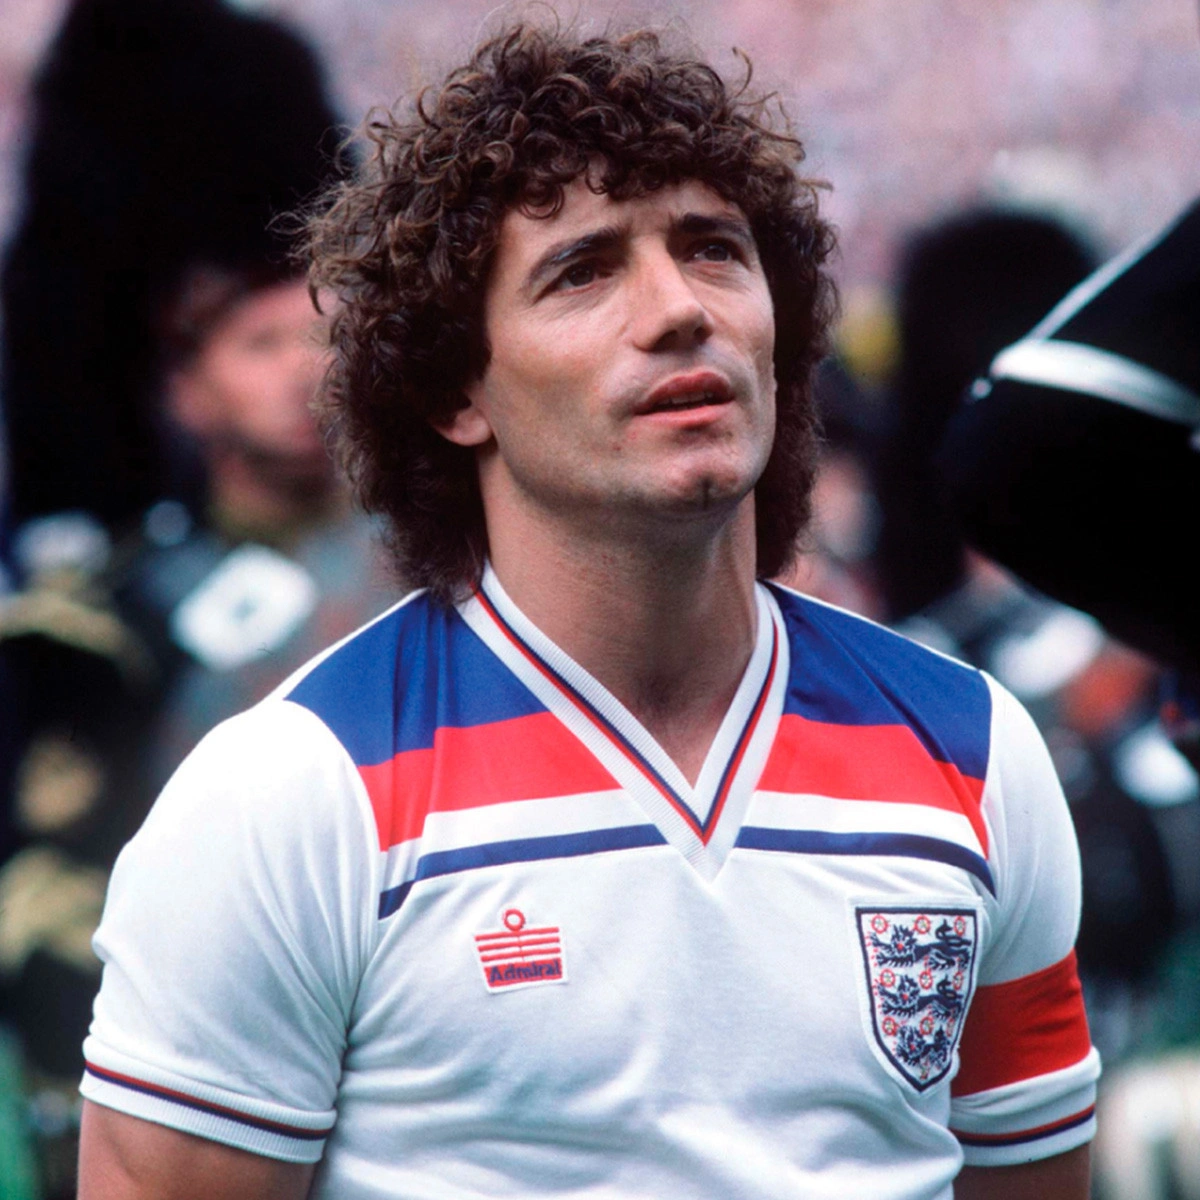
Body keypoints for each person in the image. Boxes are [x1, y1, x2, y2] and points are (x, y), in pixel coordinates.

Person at [76, 24, 1098, 1200]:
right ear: (455, 390)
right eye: (583, 271)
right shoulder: (293, 793)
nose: (678, 309)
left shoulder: (972, 750)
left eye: (715, 251)